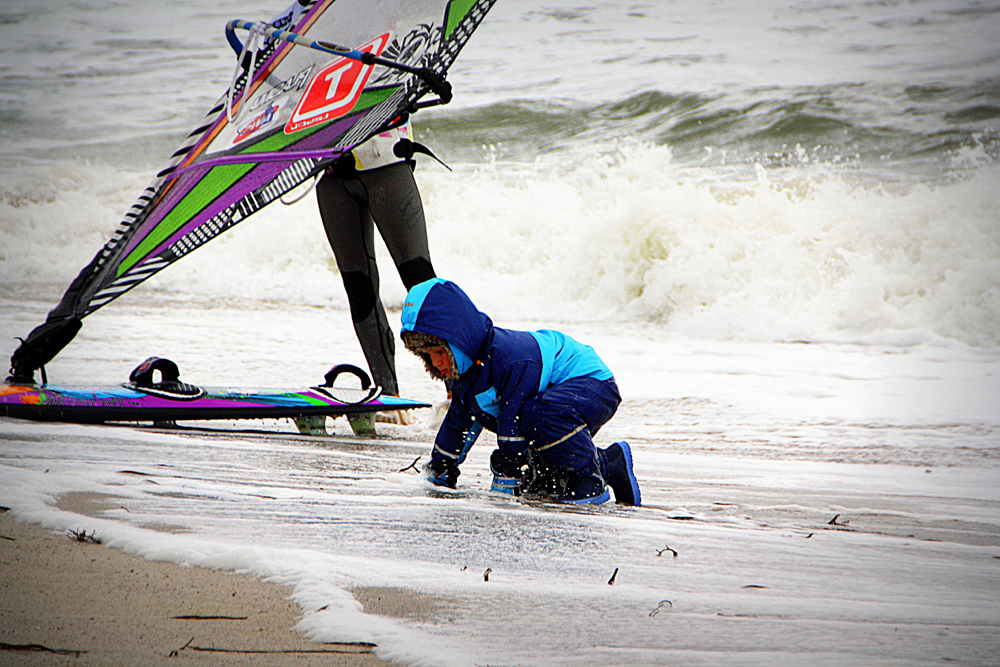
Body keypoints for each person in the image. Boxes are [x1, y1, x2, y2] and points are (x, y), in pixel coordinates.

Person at [399, 278, 641, 506]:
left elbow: (511, 417)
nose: (437, 363)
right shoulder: (466, 380)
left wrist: (507, 469)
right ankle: (611, 463)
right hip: (553, 401)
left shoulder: (511, 357)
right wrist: (440, 470)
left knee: (536, 415)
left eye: (440, 352)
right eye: (427, 356)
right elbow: (457, 426)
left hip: (593, 385)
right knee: (543, 478)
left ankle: (589, 481)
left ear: (459, 340)